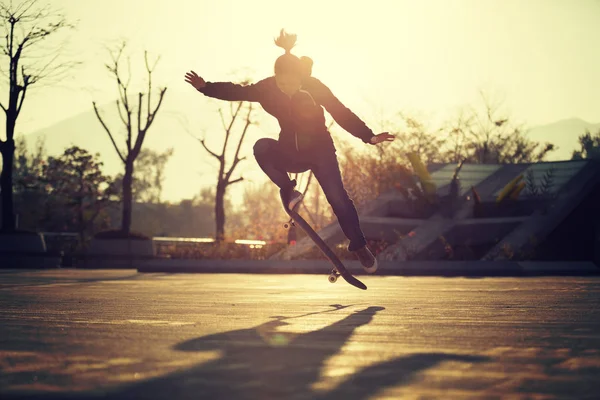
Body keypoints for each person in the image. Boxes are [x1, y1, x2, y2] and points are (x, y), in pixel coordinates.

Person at [184, 29, 394, 273]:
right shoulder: (268, 88)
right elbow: (238, 91)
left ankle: (359, 248)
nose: (286, 88)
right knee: (261, 146)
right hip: (289, 152)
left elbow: (340, 111)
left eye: (292, 83)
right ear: (275, 78)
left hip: (320, 151)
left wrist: (367, 135)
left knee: (337, 197)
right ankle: (289, 190)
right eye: (281, 83)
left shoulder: (314, 87)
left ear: (300, 77)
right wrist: (206, 87)